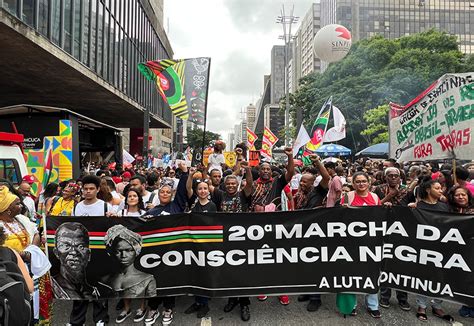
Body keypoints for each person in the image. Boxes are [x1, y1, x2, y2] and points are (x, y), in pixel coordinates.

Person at [144, 162, 189, 326]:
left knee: (171, 281)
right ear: (158, 193)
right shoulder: (151, 212)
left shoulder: (176, 206)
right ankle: (153, 308)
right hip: (155, 254)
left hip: (173, 253)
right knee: (155, 282)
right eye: (162, 191)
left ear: (172, 194)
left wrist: (185, 173)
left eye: (168, 192)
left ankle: (169, 308)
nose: (164, 194)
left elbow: (183, 192)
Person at [210, 162, 253, 321]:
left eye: (233, 183)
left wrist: (247, 169)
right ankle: (232, 299)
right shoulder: (220, 195)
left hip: (242, 240)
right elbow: (206, 184)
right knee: (228, 272)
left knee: (242, 273)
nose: (230, 186)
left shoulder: (243, 195)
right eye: (227, 183)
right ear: (224, 184)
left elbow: (249, 184)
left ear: (238, 185)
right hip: (224, 240)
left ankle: (244, 303)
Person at [407, 178, 453, 322]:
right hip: (423, 248)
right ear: (428, 190)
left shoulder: (444, 207)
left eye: (441, 188)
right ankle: (422, 306)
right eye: (437, 188)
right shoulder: (417, 206)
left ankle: (437, 305)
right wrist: (410, 210)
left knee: (440, 277)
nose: (441, 191)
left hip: (441, 248)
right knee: (424, 277)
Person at [70, 175, 112, 326]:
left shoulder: (106, 206)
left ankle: (101, 318)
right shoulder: (77, 207)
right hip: (81, 254)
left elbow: (113, 229)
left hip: (100, 253)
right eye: (85, 189)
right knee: (79, 287)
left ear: (98, 189)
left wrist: (113, 217)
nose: (88, 191)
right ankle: (76, 320)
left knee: (100, 286)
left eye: (91, 189)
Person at [340, 172, 381, 318]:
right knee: (352, 274)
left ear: (369, 182)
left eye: (364, 181)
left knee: (372, 274)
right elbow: (339, 219)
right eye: (358, 181)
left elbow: (380, 218)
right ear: (353, 183)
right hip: (351, 242)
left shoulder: (375, 197)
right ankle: (351, 305)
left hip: (371, 242)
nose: (361, 184)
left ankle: (373, 305)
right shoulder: (348, 196)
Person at [294, 155, 330, 311]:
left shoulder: (318, 191)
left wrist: (316, 162)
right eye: (301, 181)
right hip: (303, 233)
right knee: (305, 264)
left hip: (316, 234)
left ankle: (316, 298)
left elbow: (326, 177)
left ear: (312, 182)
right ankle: (308, 292)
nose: (302, 183)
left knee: (316, 265)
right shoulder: (298, 195)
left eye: (305, 181)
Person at [373, 167, 411, 311]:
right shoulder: (378, 189)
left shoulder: (407, 191)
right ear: (385, 177)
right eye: (391, 175)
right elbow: (373, 207)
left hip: (402, 233)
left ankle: (402, 298)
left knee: (402, 266)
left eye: (396, 175)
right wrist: (387, 199)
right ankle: (384, 296)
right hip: (384, 232)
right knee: (386, 265)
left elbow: (415, 207)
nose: (394, 178)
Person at [103, 225, 157, 324]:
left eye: (128, 250)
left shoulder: (148, 278)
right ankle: (126, 309)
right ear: (113, 252)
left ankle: (142, 308)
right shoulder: (105, 279)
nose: (123, 256)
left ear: (135, 251)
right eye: (119, 251)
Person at [183, 169, 217, 318]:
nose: (202, 191)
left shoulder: (212, 206)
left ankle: (204, 304)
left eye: (205, 188)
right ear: (196, 191)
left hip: (207, 246)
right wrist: (190, 175)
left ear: (208, 190)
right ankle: (197, 301)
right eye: (200, 189)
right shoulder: (193, 203)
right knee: (194, 273)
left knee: (204, 274)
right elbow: (188, 187)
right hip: (193, 245)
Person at [446, 186, 474, 317]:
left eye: (464, 195)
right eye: (458, 195)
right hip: (457, 251)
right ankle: (466, 304)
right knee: (464, 279)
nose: (461, 197)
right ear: (452, 197)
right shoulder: (448, 210)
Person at [250, 147, 294, 212]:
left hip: (274, 217)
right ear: (259, 172)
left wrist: (290, 156)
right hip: (256, 218)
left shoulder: (277, 182)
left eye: (268, 169)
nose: (265, 171)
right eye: (263, 169)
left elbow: (290, 173)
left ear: (271, 172)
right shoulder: (253, 184)